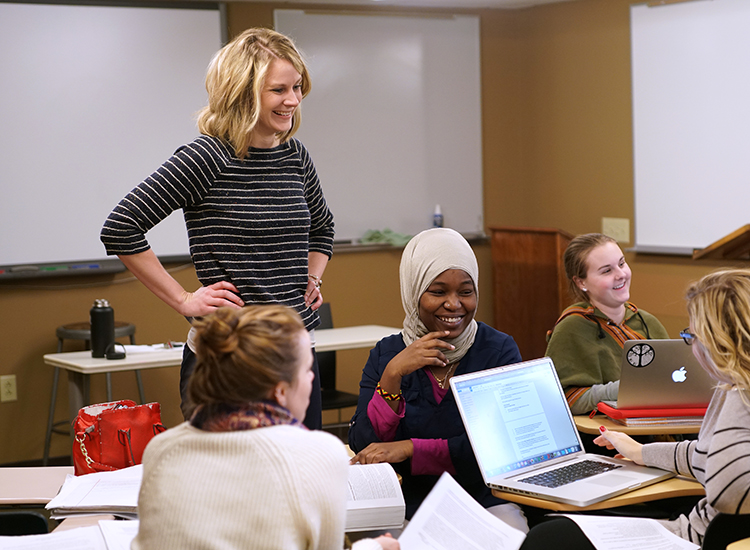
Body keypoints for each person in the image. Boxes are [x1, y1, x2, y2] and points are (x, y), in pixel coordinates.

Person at [520, 268, 750, 549]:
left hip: (703, 542)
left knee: (549, 538)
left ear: (721, 343)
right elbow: (713, 457)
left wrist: (738, 385)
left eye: (693, 337)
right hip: (702, 533)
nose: (692, 348)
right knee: (553, 531)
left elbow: (730, 494)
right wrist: (642, 452)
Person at [100, 28, 334, 428]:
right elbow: (121, 226)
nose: (293, 100)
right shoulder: (206, 156)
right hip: (228, 360)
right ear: (243, 92)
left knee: (296, 482)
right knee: (231, 486)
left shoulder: (295, 155)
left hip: (294, 356)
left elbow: (322, 227)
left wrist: (312, 276)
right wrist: (183, 300)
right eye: (279, 90)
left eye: (297, 87)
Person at [133, 305, 398, 550]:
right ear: (280, 390)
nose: (312, 377)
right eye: (307, 369)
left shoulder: (162, 446)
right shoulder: (319, 453)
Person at [347, 228, 528, 531]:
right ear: (414, 292)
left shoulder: (498, 350)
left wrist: (409, 449)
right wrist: (392, 375)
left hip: (483, 499)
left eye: (466, 292)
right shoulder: (387, 354)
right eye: (439, 291)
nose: (455, 304)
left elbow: (497, 449)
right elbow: (365, 446)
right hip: (407, 502)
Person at [545, 233, 668, 415]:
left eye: (621, 263)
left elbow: (673, 381)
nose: (621, 275)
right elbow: (562, 401)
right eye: (606, 271)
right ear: (581, 282)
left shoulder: (647, 322)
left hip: (658, 430)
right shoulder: (571, 328)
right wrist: (623, 389)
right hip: (602, 438)